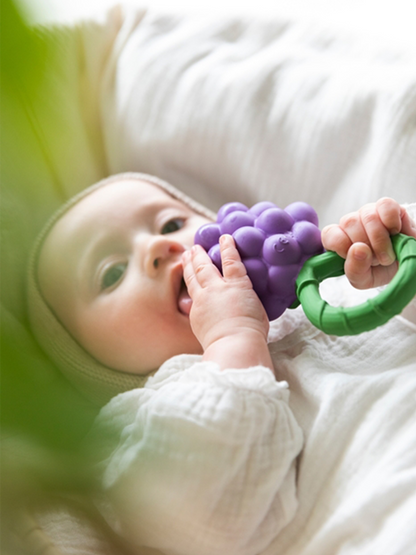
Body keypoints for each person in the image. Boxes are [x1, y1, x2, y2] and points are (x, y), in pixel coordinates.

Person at [27, 172, 416, 555]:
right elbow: (203, 509)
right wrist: (232, 340)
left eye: (172, 223)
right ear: (92, 362)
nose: (157, 246)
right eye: (111, 273)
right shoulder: (134, 425)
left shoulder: (330, 289)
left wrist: (391, 251)